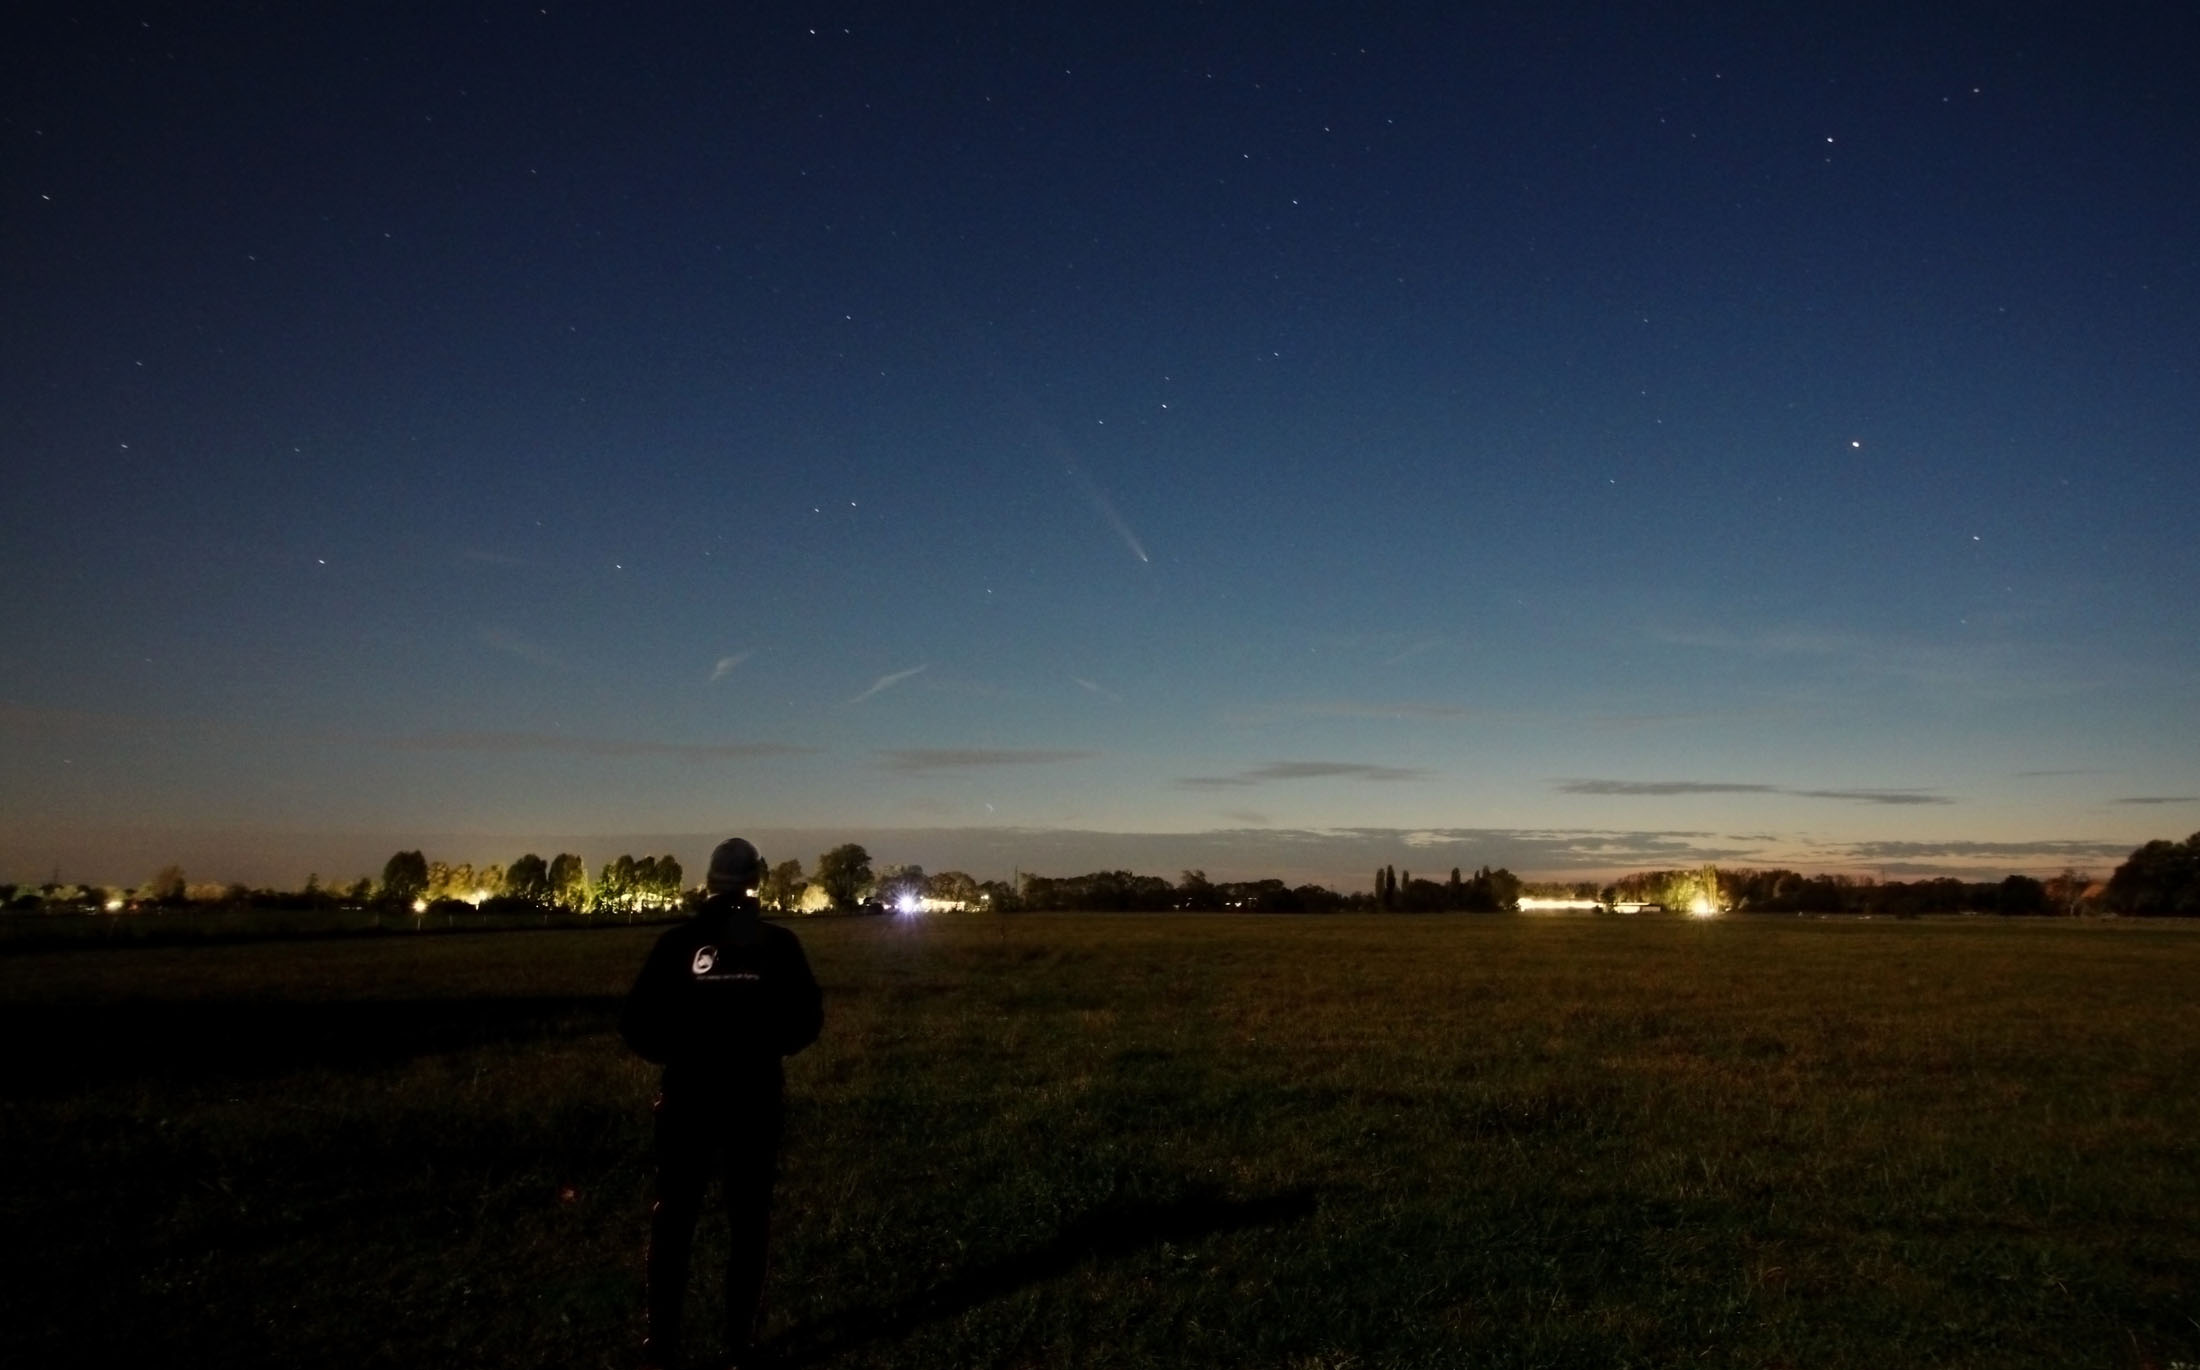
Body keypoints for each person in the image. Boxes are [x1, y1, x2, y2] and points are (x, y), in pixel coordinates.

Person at [621, 837, 823, 1370]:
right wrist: (765, 1048)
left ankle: (661, 1342)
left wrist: (680, 1055)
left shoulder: (676, 945)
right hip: (755, 1099)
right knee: (749, 1219)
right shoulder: (778, 945)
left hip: (688, 1099)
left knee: (674, 1219)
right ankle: (740, 1342)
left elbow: (636, 1024)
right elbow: (807, 1020)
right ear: (757, 882)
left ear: (709, 883)